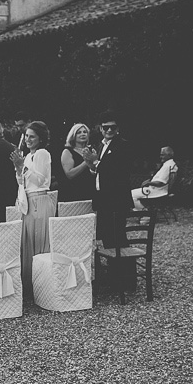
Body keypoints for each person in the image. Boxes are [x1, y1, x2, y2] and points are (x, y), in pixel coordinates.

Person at [83, 114, 135, 289]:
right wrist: (92, 166)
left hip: (117, 199)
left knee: (119, 237)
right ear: (100, 129)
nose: (109, 130)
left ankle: (127, 280)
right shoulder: (101, 145)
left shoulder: (124, 145)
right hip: (104, 199)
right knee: (107, 238)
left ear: (118, 128)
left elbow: (118, 171)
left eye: (113, 127)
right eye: (106, 127)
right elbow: (100, 172)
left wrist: (95, 161)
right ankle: (115, 276)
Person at [10, 121, 55, 297]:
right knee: (28, 243)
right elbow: (22, 181)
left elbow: (40, 179)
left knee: (39, 244)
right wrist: (18, 167)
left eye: (32, 136)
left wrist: (23, 167)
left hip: (39, 201)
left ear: (40, 139)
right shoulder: (29, 155)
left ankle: (42, 287)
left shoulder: (43, 153)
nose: (28, 139)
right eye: (26, 136)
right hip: (28, 201)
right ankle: (30, 287)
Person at [60, 124, 96, 202]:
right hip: (74, 193)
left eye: (85, 132)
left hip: (91, 192)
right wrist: (86, 162)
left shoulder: (92, 150)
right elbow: (69, 174)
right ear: (73, 136)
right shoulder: (67, 152)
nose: (82, 134)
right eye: (79, 132)